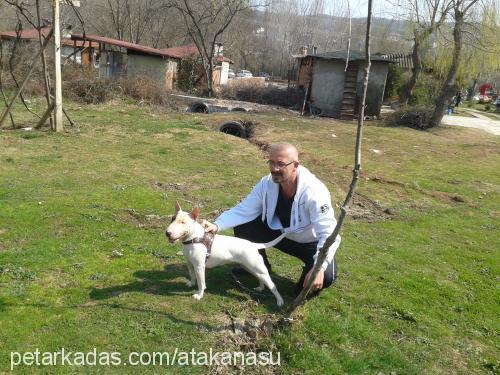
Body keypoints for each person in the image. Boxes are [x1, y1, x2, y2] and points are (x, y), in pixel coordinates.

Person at [203, 142, 340, 295]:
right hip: (281, 235)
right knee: (245, 223)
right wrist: (217, 225)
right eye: (271, 162)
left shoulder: (314, 191)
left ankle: (303, 286)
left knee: (326, 276)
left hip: (309, 243)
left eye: (281, 164)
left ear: (295, 165)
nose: (274, 169)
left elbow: (329, 232)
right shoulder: (267, 183)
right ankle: (255, 265)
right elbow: (245, 209)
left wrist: (319, 267)